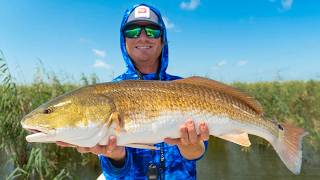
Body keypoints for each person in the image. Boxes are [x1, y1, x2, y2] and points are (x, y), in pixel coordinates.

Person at [58, 3, 209, 179]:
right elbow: (115, 173)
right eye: (132, 31)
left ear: (163, 40)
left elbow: (196, 154)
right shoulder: (106, 93)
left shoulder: (186, 89)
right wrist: (115, 155)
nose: (143, 37)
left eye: (152, 31)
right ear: (124, 40)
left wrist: (190, 146)